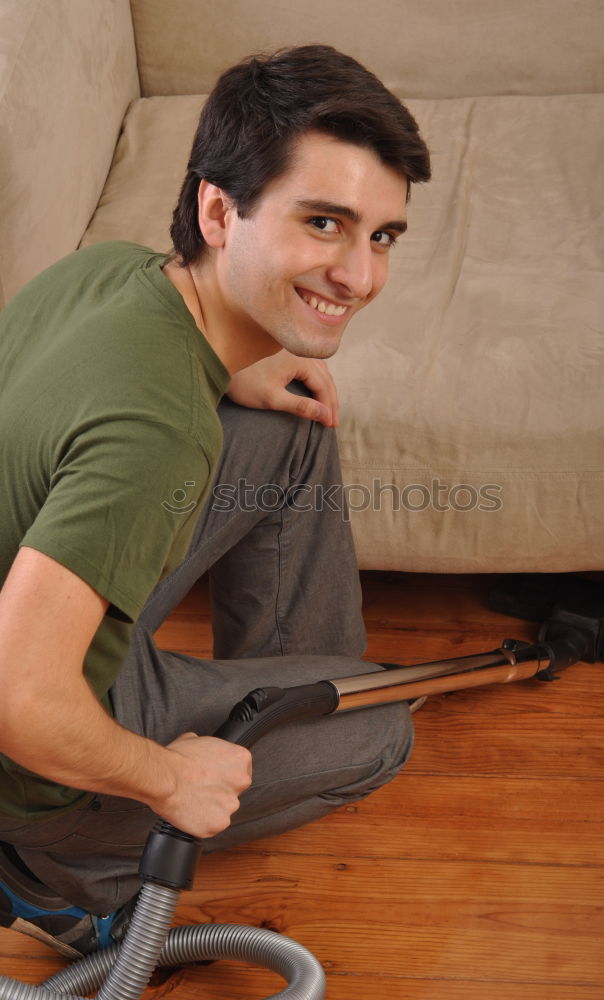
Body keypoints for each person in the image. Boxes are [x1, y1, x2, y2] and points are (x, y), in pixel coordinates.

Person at [0, 44, 431, 959]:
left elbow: (80, 417)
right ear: (219, 210)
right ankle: (50, 876)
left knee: (289, 433)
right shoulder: (157, 432)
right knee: (383, 730)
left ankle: (284, 697)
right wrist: (164, 779)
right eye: (324, 224)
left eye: (381, 235)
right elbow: (18, 696)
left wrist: (230, 375)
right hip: (25, 755)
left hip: (26, 611)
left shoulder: (108, 270)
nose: (359, 276)